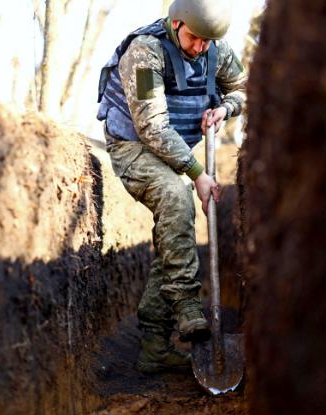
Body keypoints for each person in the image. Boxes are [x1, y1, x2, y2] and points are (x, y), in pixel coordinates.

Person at [96, 0, 247, 373]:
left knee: (173, 232)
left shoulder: (214, 47)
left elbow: (245, 89)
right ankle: (187, 303)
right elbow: (151, 127)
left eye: (208, 42)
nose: (201, 48)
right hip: (133, 147)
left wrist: (226, 107)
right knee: (176, 196)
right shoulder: (144, 53)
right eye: (194, 38)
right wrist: (197, 172)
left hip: (171, 151)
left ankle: (153, 347)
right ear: (175, 22)